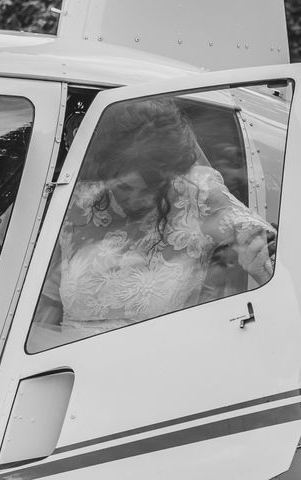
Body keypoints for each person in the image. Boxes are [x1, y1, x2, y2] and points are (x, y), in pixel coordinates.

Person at [29, 97, 274, 349]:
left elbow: (268, 251)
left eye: (153, 189)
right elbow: (46, 298)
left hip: (163, 365)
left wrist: (259, 262)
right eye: (124, 187)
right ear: (107, 172)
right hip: (69, 366)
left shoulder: (197, 193)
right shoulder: (78, 201)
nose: (137, 199)